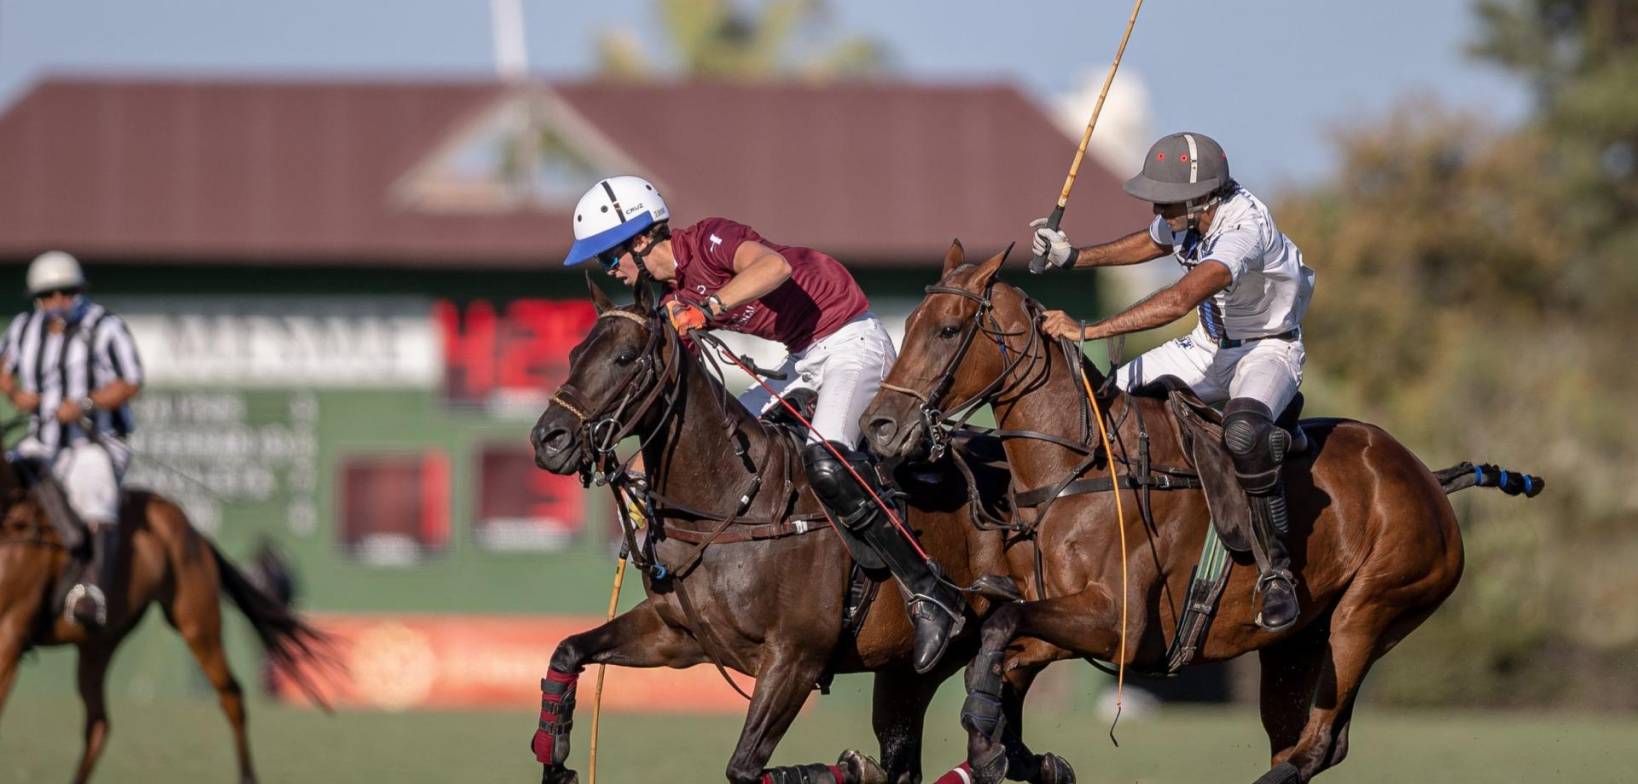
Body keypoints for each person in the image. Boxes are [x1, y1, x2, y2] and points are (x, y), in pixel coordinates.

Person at [563, 176, 962, 673]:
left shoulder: (708, 240)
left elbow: (775, 266)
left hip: (850, 342)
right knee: (729, 447)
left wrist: (707, 308)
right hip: (802, 361)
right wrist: (642, 470)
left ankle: (929, 590)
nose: (611, 269)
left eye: (608, 255)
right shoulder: (668, 299)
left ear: (641, 239)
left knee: (827, 458)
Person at [1029, 133, 1314, 632]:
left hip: (1268, 348)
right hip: (1209, 344)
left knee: (1243, 434)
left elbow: (1181, 297)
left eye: (1166, 198)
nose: (1157, 206)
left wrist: (1090, 330)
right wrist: (1073, 258)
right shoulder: (1191, 212)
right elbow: (1152, 240)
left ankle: (1277, 575)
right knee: (1099, 403)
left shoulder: (1243, 228)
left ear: (1202, 197)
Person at [0, 250, 144, 632]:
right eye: (49, 295)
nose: (58, 301)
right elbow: (3, 367)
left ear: (79, 291)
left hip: (95, 441)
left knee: (93, 483)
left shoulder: (105, 327)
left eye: (66, 292)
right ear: (37, 298)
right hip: (42, 441)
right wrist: (17, 396)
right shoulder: (22, 329)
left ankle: (91, 590)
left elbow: (130, 381)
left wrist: (85, 403)